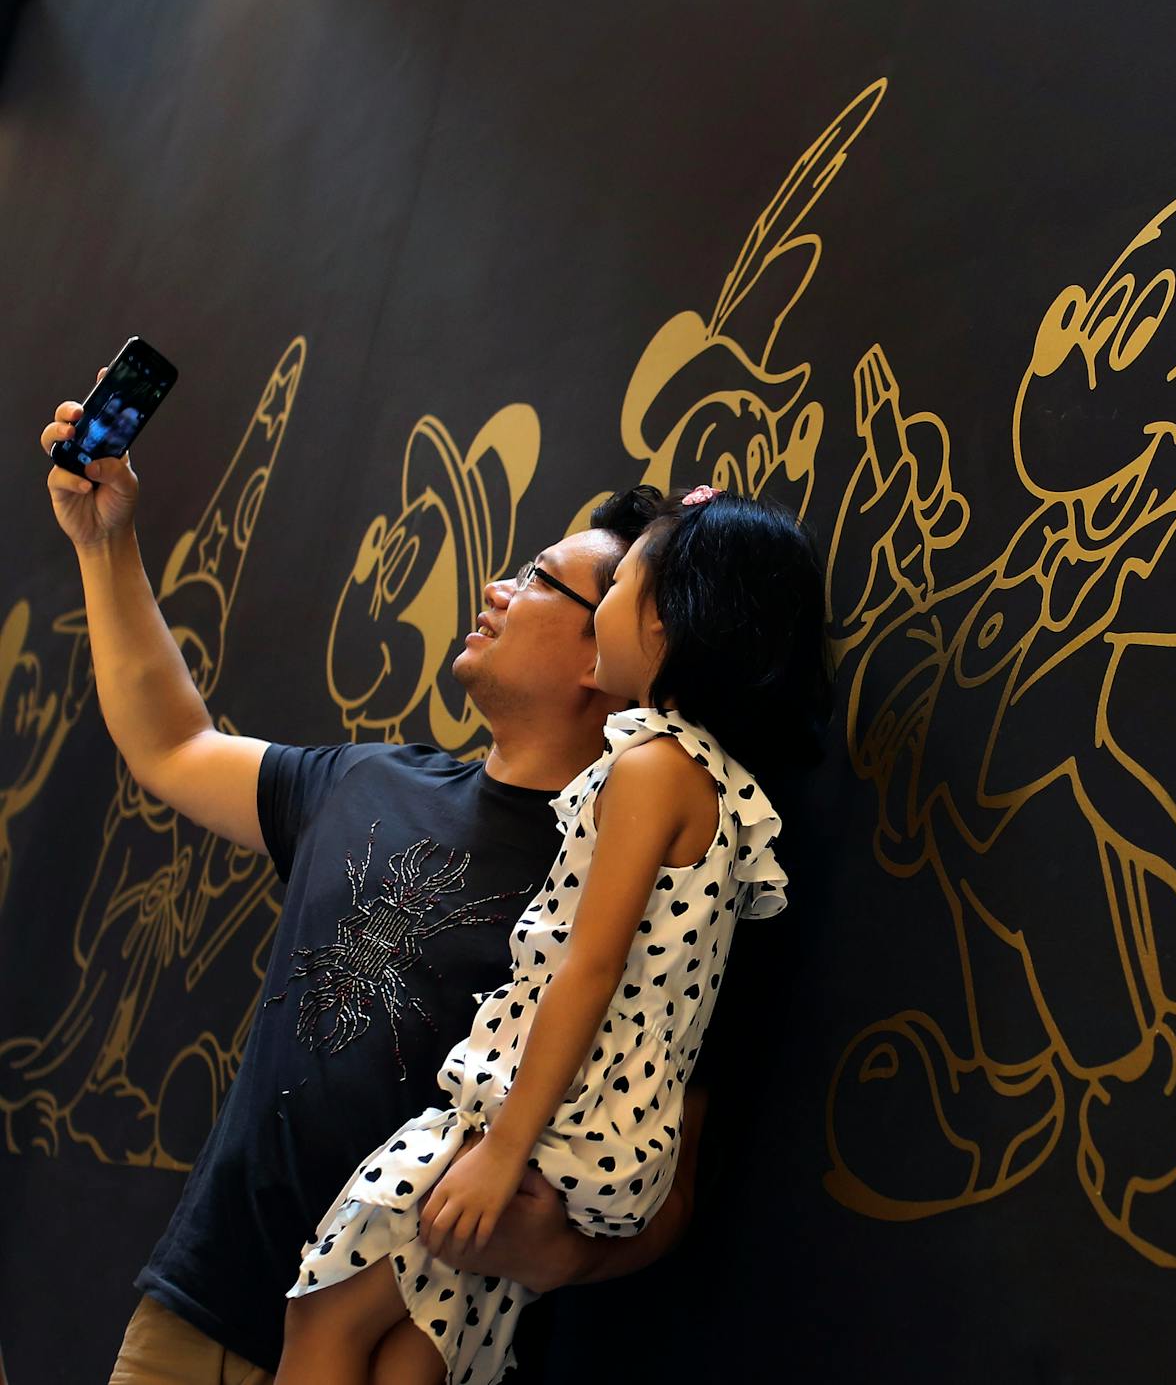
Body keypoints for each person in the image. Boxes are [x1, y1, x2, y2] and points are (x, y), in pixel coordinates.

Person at [39, 393, 705, 1382]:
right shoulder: (369, 781)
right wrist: (105, 544)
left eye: (534, 580)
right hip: (195, 1317)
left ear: (611, 645)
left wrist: (556, 1253)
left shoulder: (634, 873)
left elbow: (673, 1169)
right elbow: (173, 745)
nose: (493, 586)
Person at [276, 484, 830, 1385]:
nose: (601, 608)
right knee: (418, 1337)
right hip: (603, 1138)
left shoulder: (651, 766)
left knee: (323, 1312)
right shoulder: (728, 793)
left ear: (668, 622)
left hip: (541, 1121)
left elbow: (590, 965)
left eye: (618, 590)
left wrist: (497, 1151)